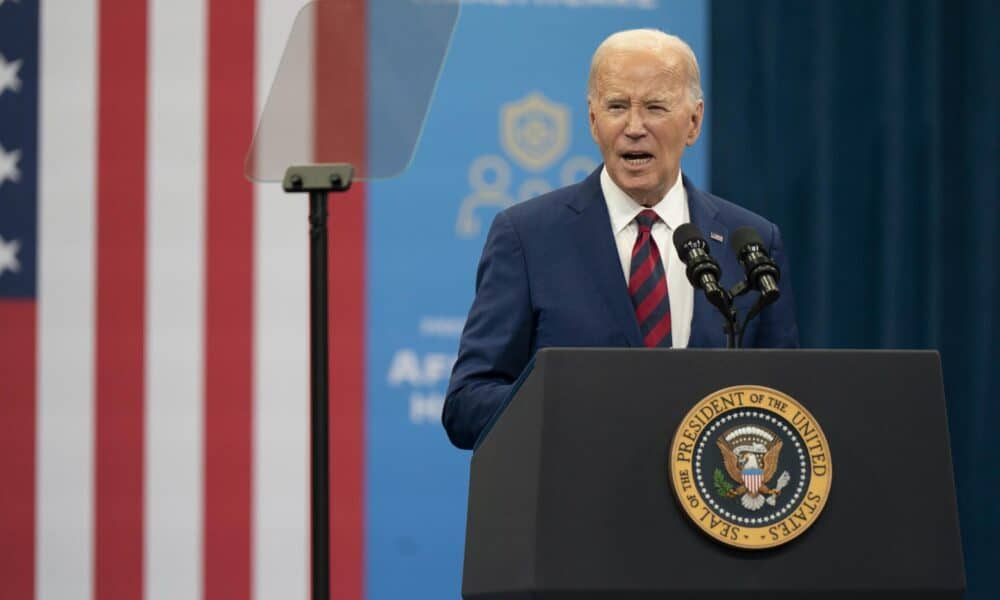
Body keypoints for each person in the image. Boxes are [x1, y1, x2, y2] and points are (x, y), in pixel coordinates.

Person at [443, 29, 799, 450]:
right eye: (616, 107)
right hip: (577, 503)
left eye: (654, 106)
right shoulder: (527, 237)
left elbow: (785, 401)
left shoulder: (751, 241)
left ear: (694, 121)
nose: (634, 127)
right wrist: (576, 407)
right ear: (594, 121)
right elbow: (467, 404)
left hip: (709, 504)